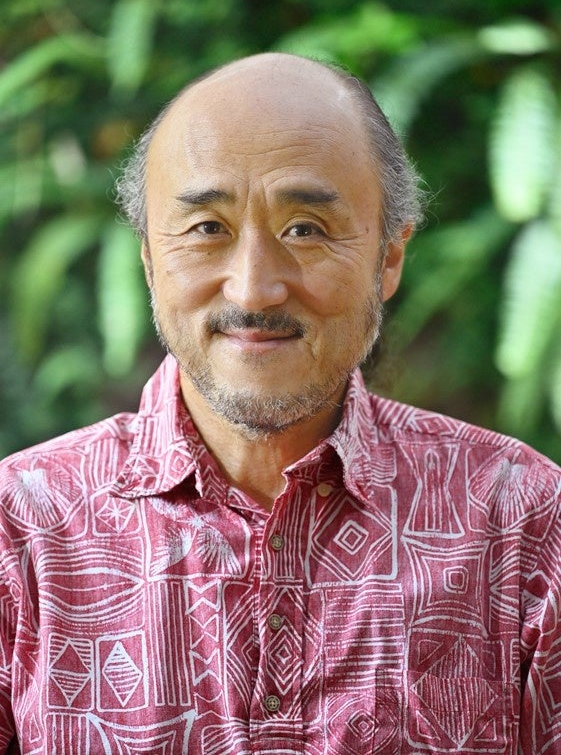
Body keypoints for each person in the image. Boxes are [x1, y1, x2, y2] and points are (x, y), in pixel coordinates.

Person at [0, 52, 560, 755]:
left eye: (306, 229)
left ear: (388, 257)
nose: (253, 289)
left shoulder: (521, 523)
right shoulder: (22, 532)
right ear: (148, 258)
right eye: (207, 228)